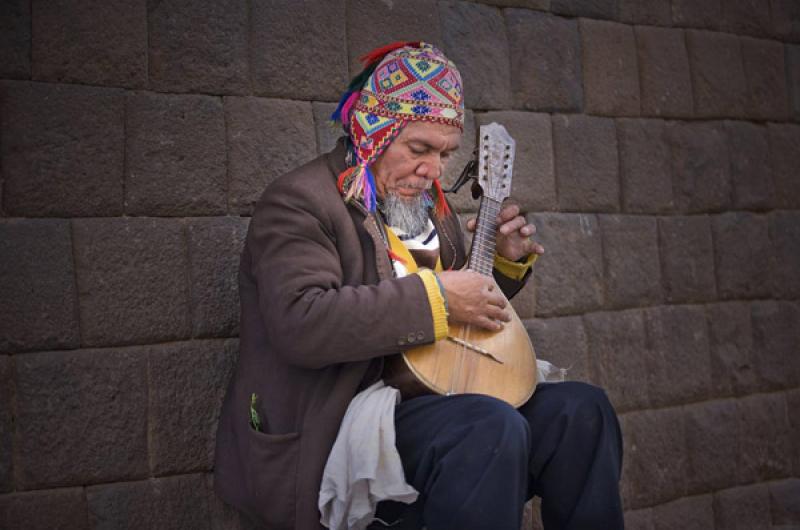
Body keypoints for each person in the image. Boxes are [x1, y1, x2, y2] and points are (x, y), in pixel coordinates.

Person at [214, 42, 623, 530]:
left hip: (437, 400)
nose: (432, 170)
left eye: (446, 153)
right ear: (373, 132)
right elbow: (302, 322)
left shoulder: (428, 209)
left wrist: (500, 269)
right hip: (342, 420)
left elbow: (448, 321)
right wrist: (444, 298)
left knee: (582, 411)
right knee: (488, 428)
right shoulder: (301, 202)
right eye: (419, 148)